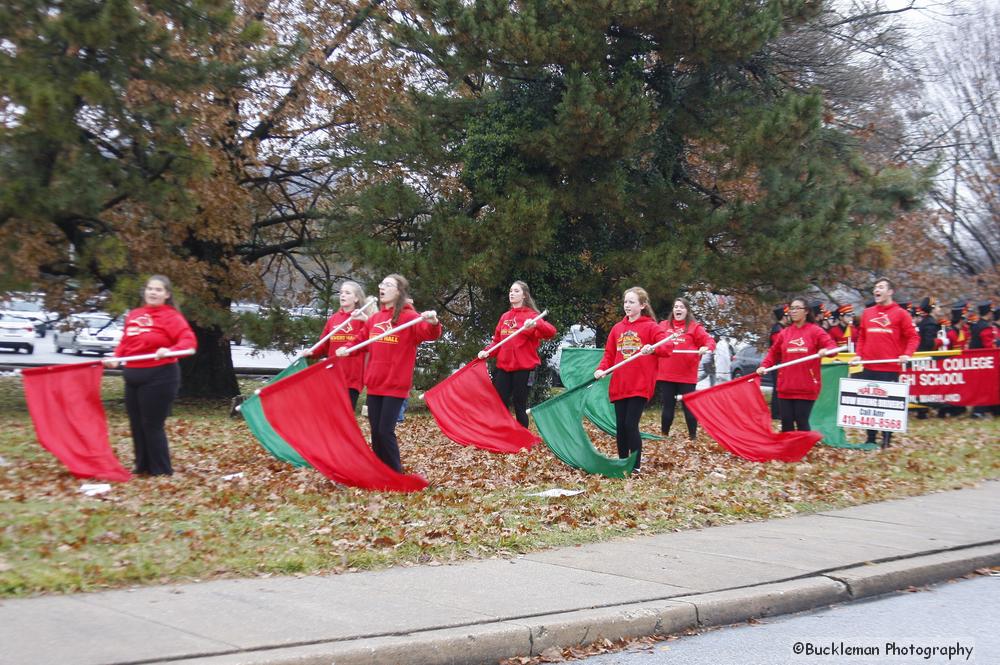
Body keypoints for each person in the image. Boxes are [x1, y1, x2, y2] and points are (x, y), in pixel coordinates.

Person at [337, 274, 440, 472]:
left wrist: (434, 322)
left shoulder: (409, 318)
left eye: (388, 285)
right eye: (381, 284)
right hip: (375, 383)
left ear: (399, 291)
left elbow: (428, 333)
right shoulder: (375, 319)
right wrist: (347, 347)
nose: (381, 287)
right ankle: (380, 471)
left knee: (385, 431)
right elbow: (360, 340)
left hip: (395, 384)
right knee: (375, 432)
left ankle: (396, 473)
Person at [105, 275, 197, 476]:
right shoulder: (134, 314)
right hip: (132, 375)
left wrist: (170, 350)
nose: (153, 293)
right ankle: (142, 466)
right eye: (150, 289)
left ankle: (161, 471)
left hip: (160, 376)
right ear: (144, 291)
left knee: (152, 424)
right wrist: (116, 357)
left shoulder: (172, 317)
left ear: (167, 295)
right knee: (136, 423)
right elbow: (126, 343)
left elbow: (188, 342)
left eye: (158, 290)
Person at [594, 287, 673, 474]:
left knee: (631, 424)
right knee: (620, 426)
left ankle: (635, 466)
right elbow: (609, 355)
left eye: (631, 302)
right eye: (625, 302)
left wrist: (652, 348)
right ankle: (623, 463)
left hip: (639, 384)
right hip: (620, 383)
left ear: (642, 305)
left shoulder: (651, 327)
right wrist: (601, 369)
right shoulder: (617, 329)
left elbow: (667, 346)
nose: (627, 306)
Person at [478, 281, 557, 427]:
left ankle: (522, 438)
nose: (512, 293)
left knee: (519, 404)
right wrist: (486, 351)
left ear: (524, 295)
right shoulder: (505, 317)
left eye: (516, 291)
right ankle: (504, 434)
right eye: (510, 291)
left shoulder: (532, 316)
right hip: (504, 367)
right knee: (500, 402)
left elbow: (551, 332)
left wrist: (536, 324)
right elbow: (497, 341)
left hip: (524, 368)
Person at [851, 277, 918, 448]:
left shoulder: (901, 314)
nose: (876, 290)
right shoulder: (867, 313)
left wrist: (906, 354)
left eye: (880, 287)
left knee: (887, 404)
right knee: (869, 402)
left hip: (889, 367)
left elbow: (913, 337)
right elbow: (862, 337)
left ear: (890, 292)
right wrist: (859, 355)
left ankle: (886, 439)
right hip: (869, 366)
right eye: (875, 287)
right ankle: (870, 438)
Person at [756, 297, 838, 432]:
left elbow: (832, 347)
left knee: (801, 421)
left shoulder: (815, 331)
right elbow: (773, 353)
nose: (793, 311)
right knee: (787, 423)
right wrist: (764, 365)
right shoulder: (785, 333)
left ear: (806, 311)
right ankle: (788, 451)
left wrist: (826, 350)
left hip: (806, 387)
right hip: (786, 386)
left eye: (797, 308)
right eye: (791, 309)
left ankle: (802, 451)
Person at [654, 298, 714, 440]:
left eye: (681, 307)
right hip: (666, 375)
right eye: (676, 307)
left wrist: (706, 347)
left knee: (689, 407)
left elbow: (709, 341)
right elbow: (653, 340)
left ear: (687, 311)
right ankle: (664, 435)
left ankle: (692, 437)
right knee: (668, 406)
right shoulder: (663, 326)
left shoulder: (694, 327)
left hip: (687, 376)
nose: (678, 309)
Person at [311, 281, 370, 409]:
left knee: (344, 418)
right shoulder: (333, 319)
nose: (342, 295)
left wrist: (366, 321)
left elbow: (374, 338)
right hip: (332, 376)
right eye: (341, 292)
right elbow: (323, 344)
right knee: (329, 416)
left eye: (347, 293)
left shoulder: (363, 319)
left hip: (352, 379)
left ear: (356, 298)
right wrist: (311, 352)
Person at [768, 304, 789, 419]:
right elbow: (780, 347)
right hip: (777, 363)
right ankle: (776, 414)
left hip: (782, 363)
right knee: (778, 388)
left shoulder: (782, 329)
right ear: (784, 317)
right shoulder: (777, 330)